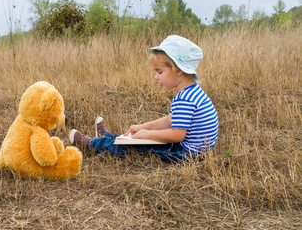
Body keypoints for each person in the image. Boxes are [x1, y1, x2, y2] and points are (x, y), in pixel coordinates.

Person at [69, 35, 218, 163]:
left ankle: (92, 144)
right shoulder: (193, 92)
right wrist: (142, 127)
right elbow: (170, 121)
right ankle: (108, 138)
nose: (156, 77)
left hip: (185, 154)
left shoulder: (184, 99)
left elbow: (177, 135)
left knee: (137, 147)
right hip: (197, 152)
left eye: (160, 72)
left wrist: (148, 134)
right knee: (140, 139)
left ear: (178, 70)